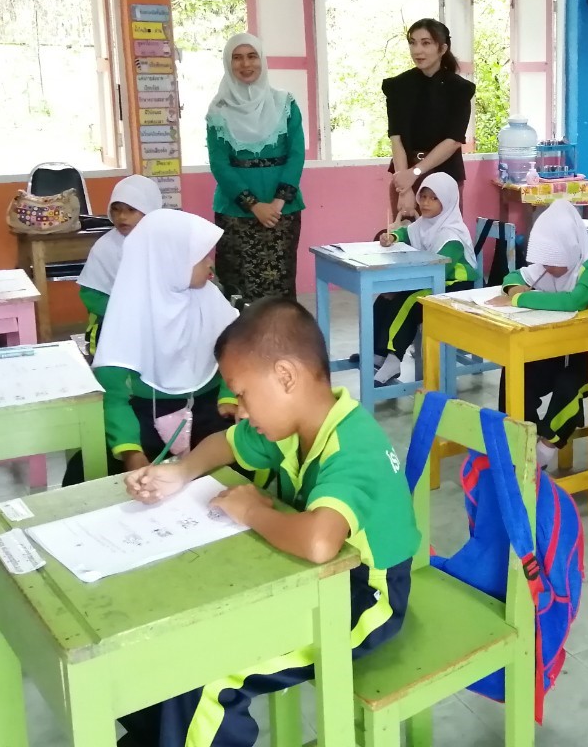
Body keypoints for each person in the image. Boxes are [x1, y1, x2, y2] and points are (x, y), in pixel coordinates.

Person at [122, 298, 419, 747]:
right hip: (315, 581)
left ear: (285, 376)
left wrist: (253, 512)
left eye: (242, 394)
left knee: (210, 677)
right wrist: (180, 472)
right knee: (169, 642)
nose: (240, 410)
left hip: (365, 601)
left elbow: (319, 542)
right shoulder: (290, 427)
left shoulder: (352, 445)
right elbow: (226, 442)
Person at [62, 209, 239, 486]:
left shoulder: (211, 300)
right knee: (84, 472)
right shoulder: (129, 310)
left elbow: (238, 356)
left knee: (247, 452)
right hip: (144, 416)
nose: (210, 264)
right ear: (171, 261)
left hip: (209, 409)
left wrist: (228, 398)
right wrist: (131, 452)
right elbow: (115, 396)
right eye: (201, 257)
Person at [491, 200, 588, 469]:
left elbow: (573, 301)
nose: (547, 267)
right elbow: (513, 276)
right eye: (544, 260)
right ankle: (521, 432)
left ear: (571, 249)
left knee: (569, 383)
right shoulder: (545, 267)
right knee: (519, 369)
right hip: (565, 347)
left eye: (554, 261)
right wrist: (514, 289)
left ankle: (546, 446)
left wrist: (520, 299)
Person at [207, 32, 306, 305]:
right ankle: (239, 334)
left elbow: (296, 155)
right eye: (237, 58)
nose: (245, 64)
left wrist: (277, 203)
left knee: (279, 286)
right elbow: (219, 164)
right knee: (237, 286)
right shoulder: (218, 110)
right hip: (235, 212)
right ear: (228, 63)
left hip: (281, 210)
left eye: (252, 56)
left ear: (262, 60)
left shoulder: (285, 104)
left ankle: (280, 334)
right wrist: (253, 205)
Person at [368, 172, 480, 385]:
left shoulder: (452, 234)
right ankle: (378, 353)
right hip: (431, 280)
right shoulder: (424, 223)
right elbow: (407, 233)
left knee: (410, 301)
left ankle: (394, 359)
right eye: (423, 196)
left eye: (434, 198)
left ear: (447, 201)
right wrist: (392, 236)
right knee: (385, 297)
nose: (426, 203)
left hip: (456, 286)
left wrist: (406, 285)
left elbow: (441, 268)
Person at [382, 19, 475, 220]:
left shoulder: (459, 89)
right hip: (404, 176)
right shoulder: (397, 86)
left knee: (444, 237)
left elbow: (453, 140)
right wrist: (404, 186)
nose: (417, 50)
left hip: (445, 175)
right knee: (403, 235)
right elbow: (396, 138)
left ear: (442, 48)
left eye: (426, 43)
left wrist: (414, 173)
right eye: (413, 43)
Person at [77, 174, 163, 354]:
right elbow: (90, 294)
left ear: (150, 210)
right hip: (112, 325)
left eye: (131, 210)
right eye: (116, 210)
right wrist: (125, 312)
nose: (122, 216)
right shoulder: (105, 248)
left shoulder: (165, 242)